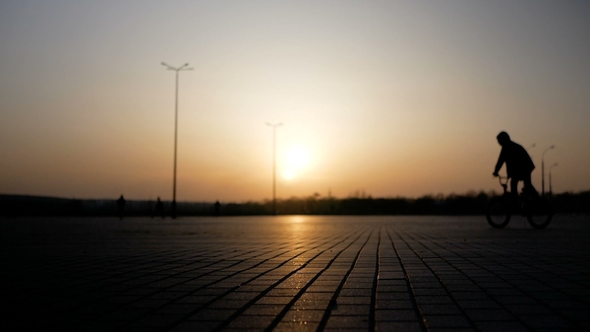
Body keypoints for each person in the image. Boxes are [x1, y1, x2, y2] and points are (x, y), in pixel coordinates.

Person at [493, 132, 538, 203]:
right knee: (522, 184)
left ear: (503, 139)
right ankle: (519, 200)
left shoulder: (507, 147)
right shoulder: (509, 146)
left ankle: (537, 200)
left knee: (519, 183)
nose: (498, 142)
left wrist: (496, 171)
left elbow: (500, 161)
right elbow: (502, 161)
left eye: (499, 140)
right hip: (522, 168)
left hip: (525, 167)